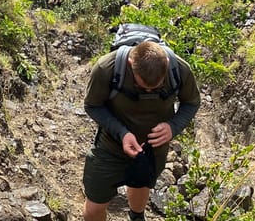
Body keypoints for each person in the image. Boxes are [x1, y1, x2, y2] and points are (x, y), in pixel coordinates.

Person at [82, 41, 201, 221]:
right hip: (110, 148)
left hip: (153, 150)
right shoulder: (107, 68)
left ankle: (137, 216)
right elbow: (92, 105)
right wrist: (121, 133)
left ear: (167, 64)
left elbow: (192, 102)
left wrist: (173, 127)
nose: (148, 90)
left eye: (155, 87)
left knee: (141, 184)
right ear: (131, 64)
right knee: (94, 207)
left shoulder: (179, 70)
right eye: (143, 86)